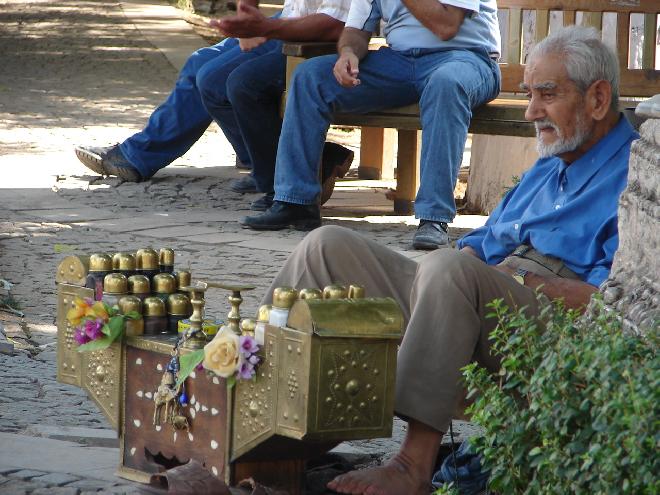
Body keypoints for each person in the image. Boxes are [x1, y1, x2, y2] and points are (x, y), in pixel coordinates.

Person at [260, 26, 636, 494]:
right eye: (530, 95)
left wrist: (517, 279)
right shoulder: (550, 163)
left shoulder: (637, 183)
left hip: (551, 334)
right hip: (475, 294)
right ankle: (268, 427)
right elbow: (478, 246)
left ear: (598, 99)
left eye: (547, 95)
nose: (532, 111)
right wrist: (455, 274)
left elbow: (618, 312)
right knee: (328, 247)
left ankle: (412, 467)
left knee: (448, 269)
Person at [240, 0, 501, 248]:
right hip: (400, 61)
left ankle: (434, 218)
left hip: (466, 59)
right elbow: (356, 30)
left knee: (446, 84)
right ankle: (295, 201)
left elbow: (445, 26)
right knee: (310, 77)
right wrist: (348, 54)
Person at [74, 0, 354, 211]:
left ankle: (285, 163)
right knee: (200, 62)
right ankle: (141, 154)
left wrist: (267, 28)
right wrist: (247, 15)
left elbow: (336, 23)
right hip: (293, 17)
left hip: (321, 35)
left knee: (215, 80)